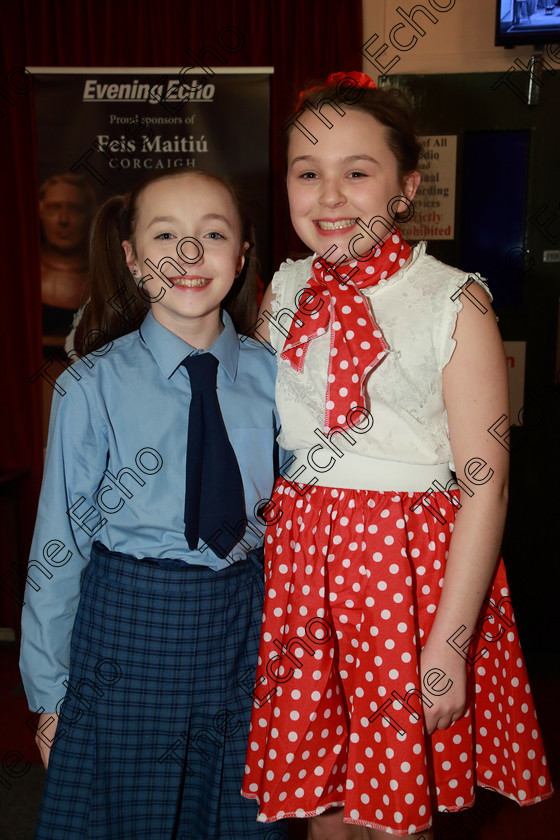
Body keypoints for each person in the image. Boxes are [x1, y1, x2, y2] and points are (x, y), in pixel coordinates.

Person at [241, 72, 553, 839]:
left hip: (405, 575)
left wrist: (449, 642)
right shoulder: (281, 292)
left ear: (406, 187)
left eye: (357, 172)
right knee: (322, 804)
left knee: (392, 814)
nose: (329, 195)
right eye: (307, 173)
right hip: (302, 574)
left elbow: (488, 489)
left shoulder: (455, 300)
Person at [20, 168, 288, 840]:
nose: (191, 255)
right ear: (132, 258)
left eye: (214, 234)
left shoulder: (280, 379)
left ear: (244, 252)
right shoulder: (90, 386)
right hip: (129, 639)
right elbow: (58, 550)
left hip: (246, 635)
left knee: (239, 819)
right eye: (166, 234)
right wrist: (50, 698)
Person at [39, 173, 96, 336]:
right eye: (54, 208)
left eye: (75, 209)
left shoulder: (107, 274)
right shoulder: (19, 273)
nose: (63, 219)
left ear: (90, 214)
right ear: (40, 212)